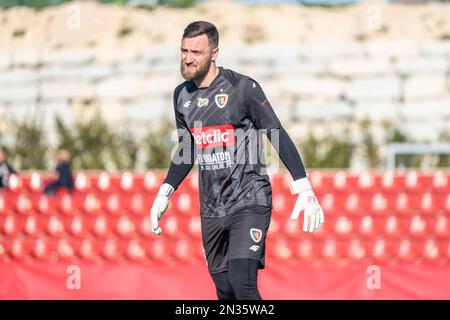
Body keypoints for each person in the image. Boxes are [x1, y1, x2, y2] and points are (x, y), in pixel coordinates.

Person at [150, 21, 324, 300]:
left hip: (249, 199)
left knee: (241, 283)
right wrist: (165, 191)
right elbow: (187, 148)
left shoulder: (242, 88)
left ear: (214, 53)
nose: (188, 58)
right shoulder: (181, 96)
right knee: (225, 290)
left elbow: (276, 133)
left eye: (196, 52)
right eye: (183, 50)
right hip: (211, 207)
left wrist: (304, 188)